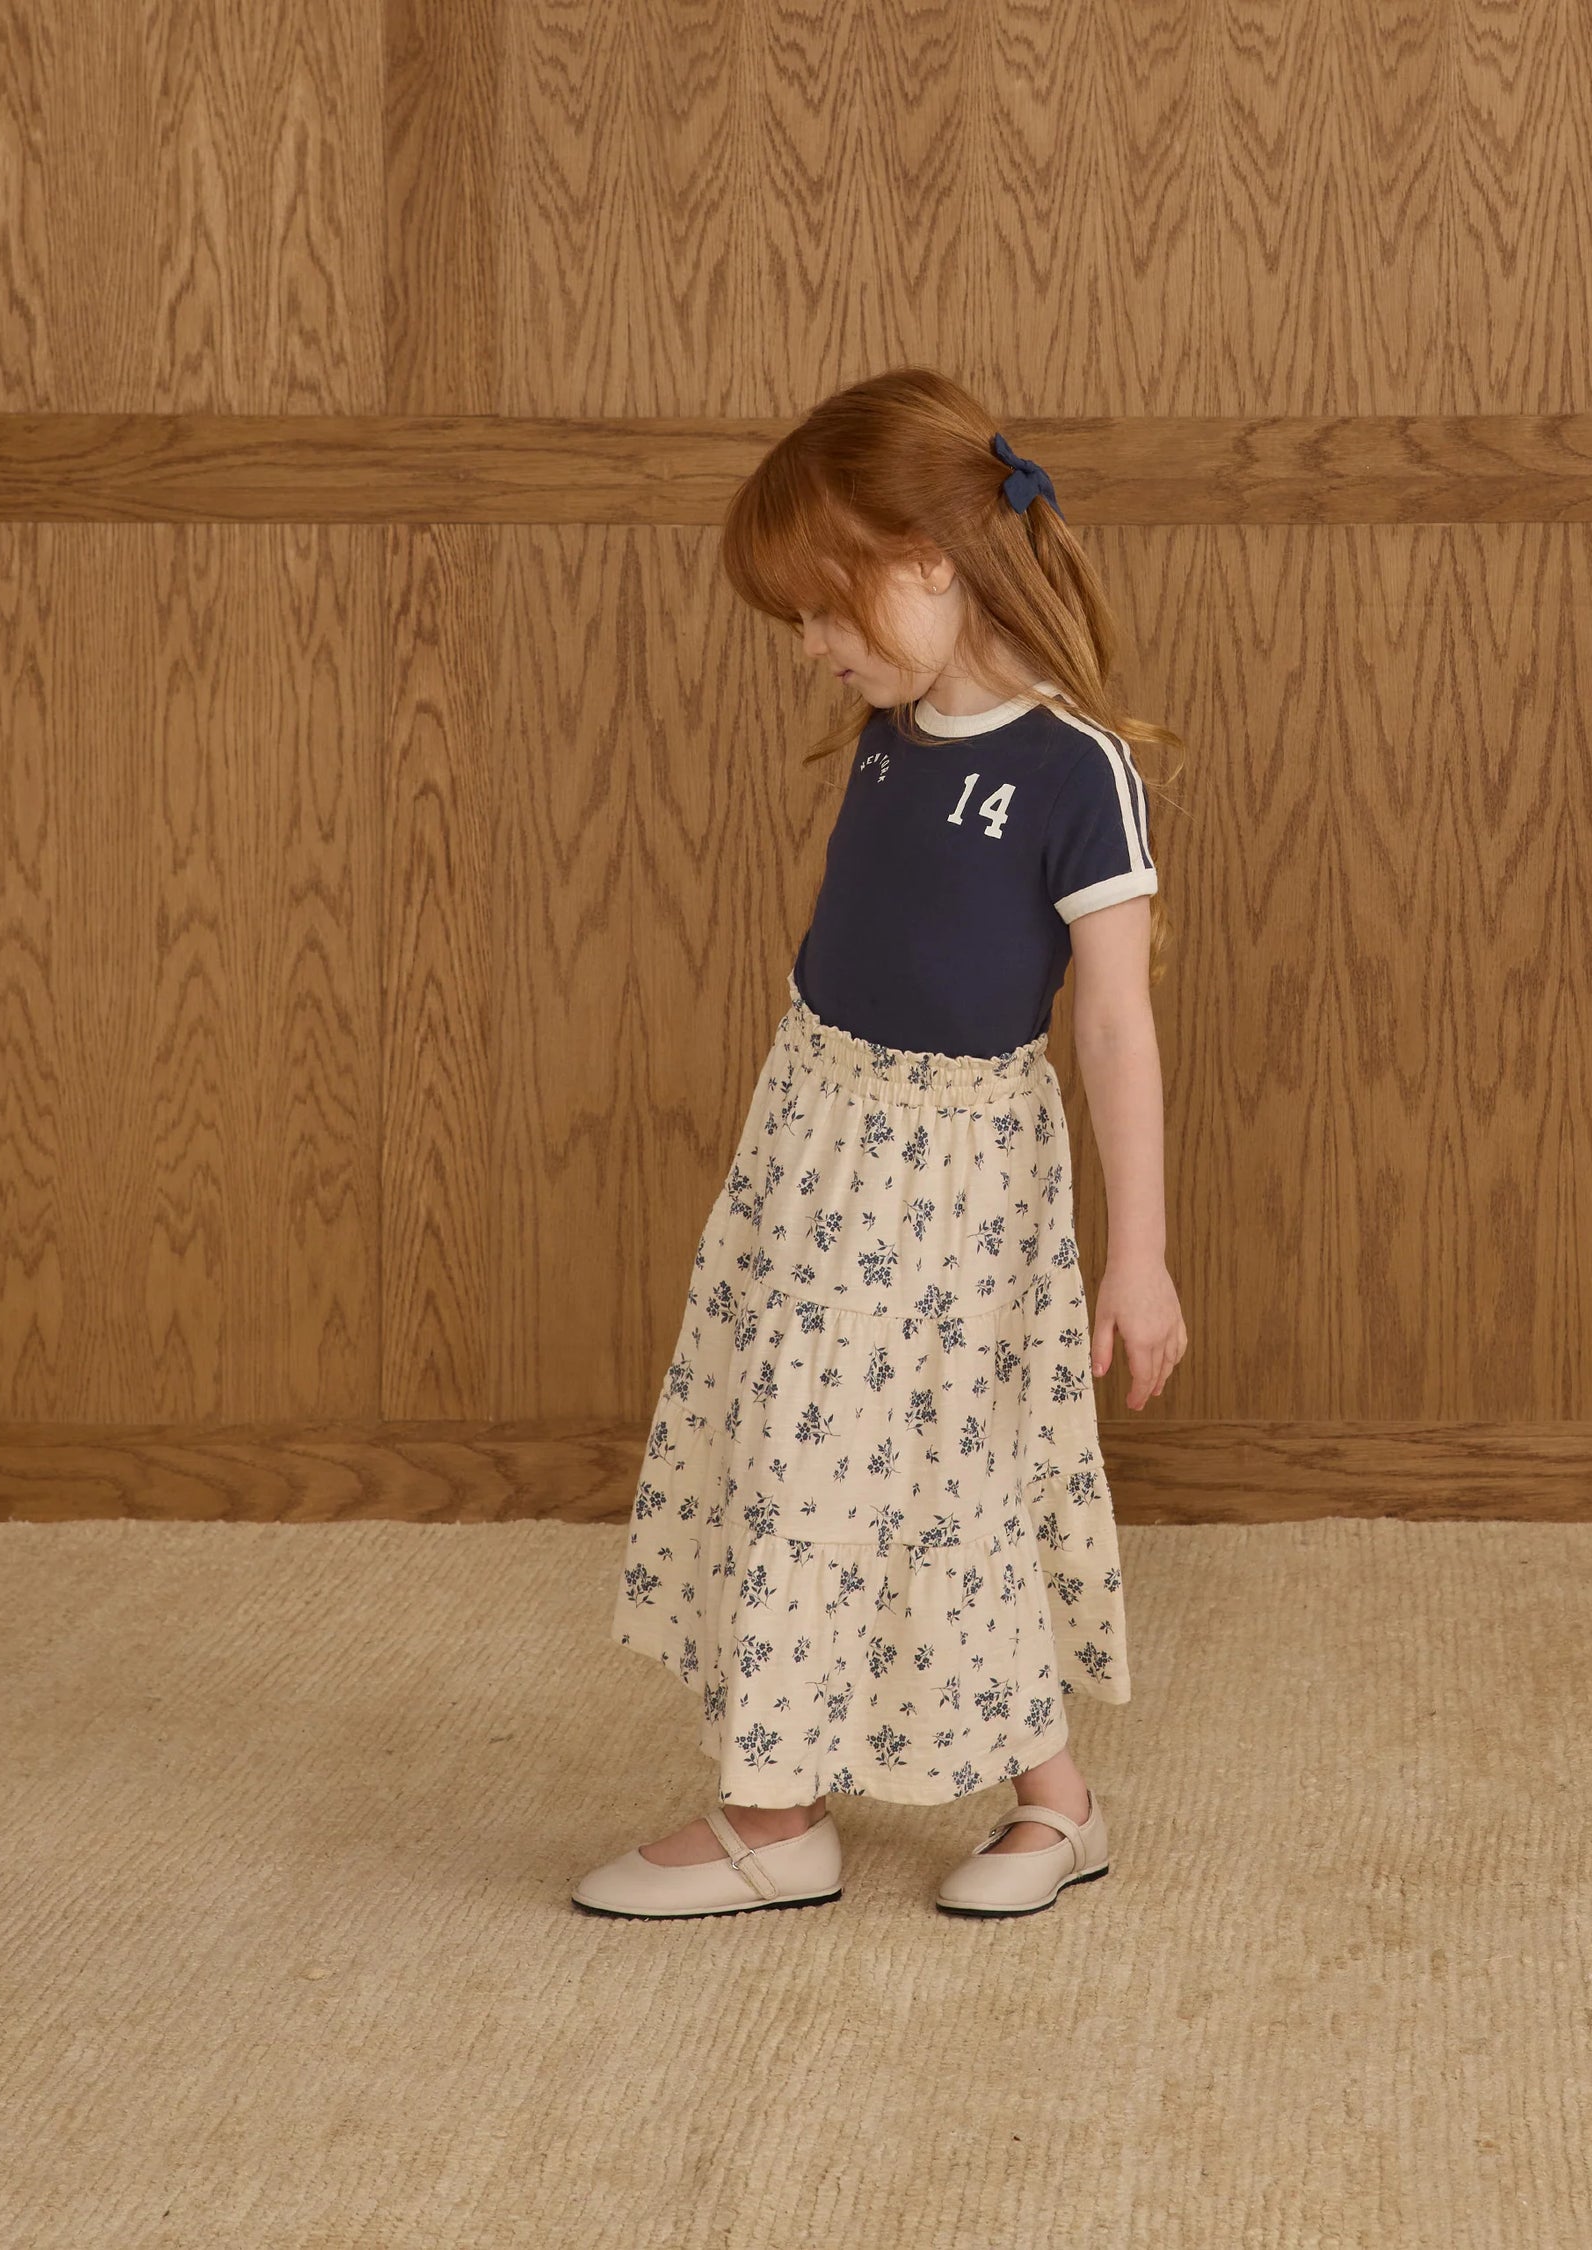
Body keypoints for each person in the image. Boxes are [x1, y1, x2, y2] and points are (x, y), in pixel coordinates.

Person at [573, 368, 1188, 1921]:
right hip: (816, 1130)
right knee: (810, 1442)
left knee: (931, 1464)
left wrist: (1139, 1256)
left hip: (954, 1175)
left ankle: (807, 1814)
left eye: (821, 608)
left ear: (927, 558)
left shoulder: (1074, 771)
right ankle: (973, 1802)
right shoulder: (892, 732)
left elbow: (1115, 1026)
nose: (810, 646)